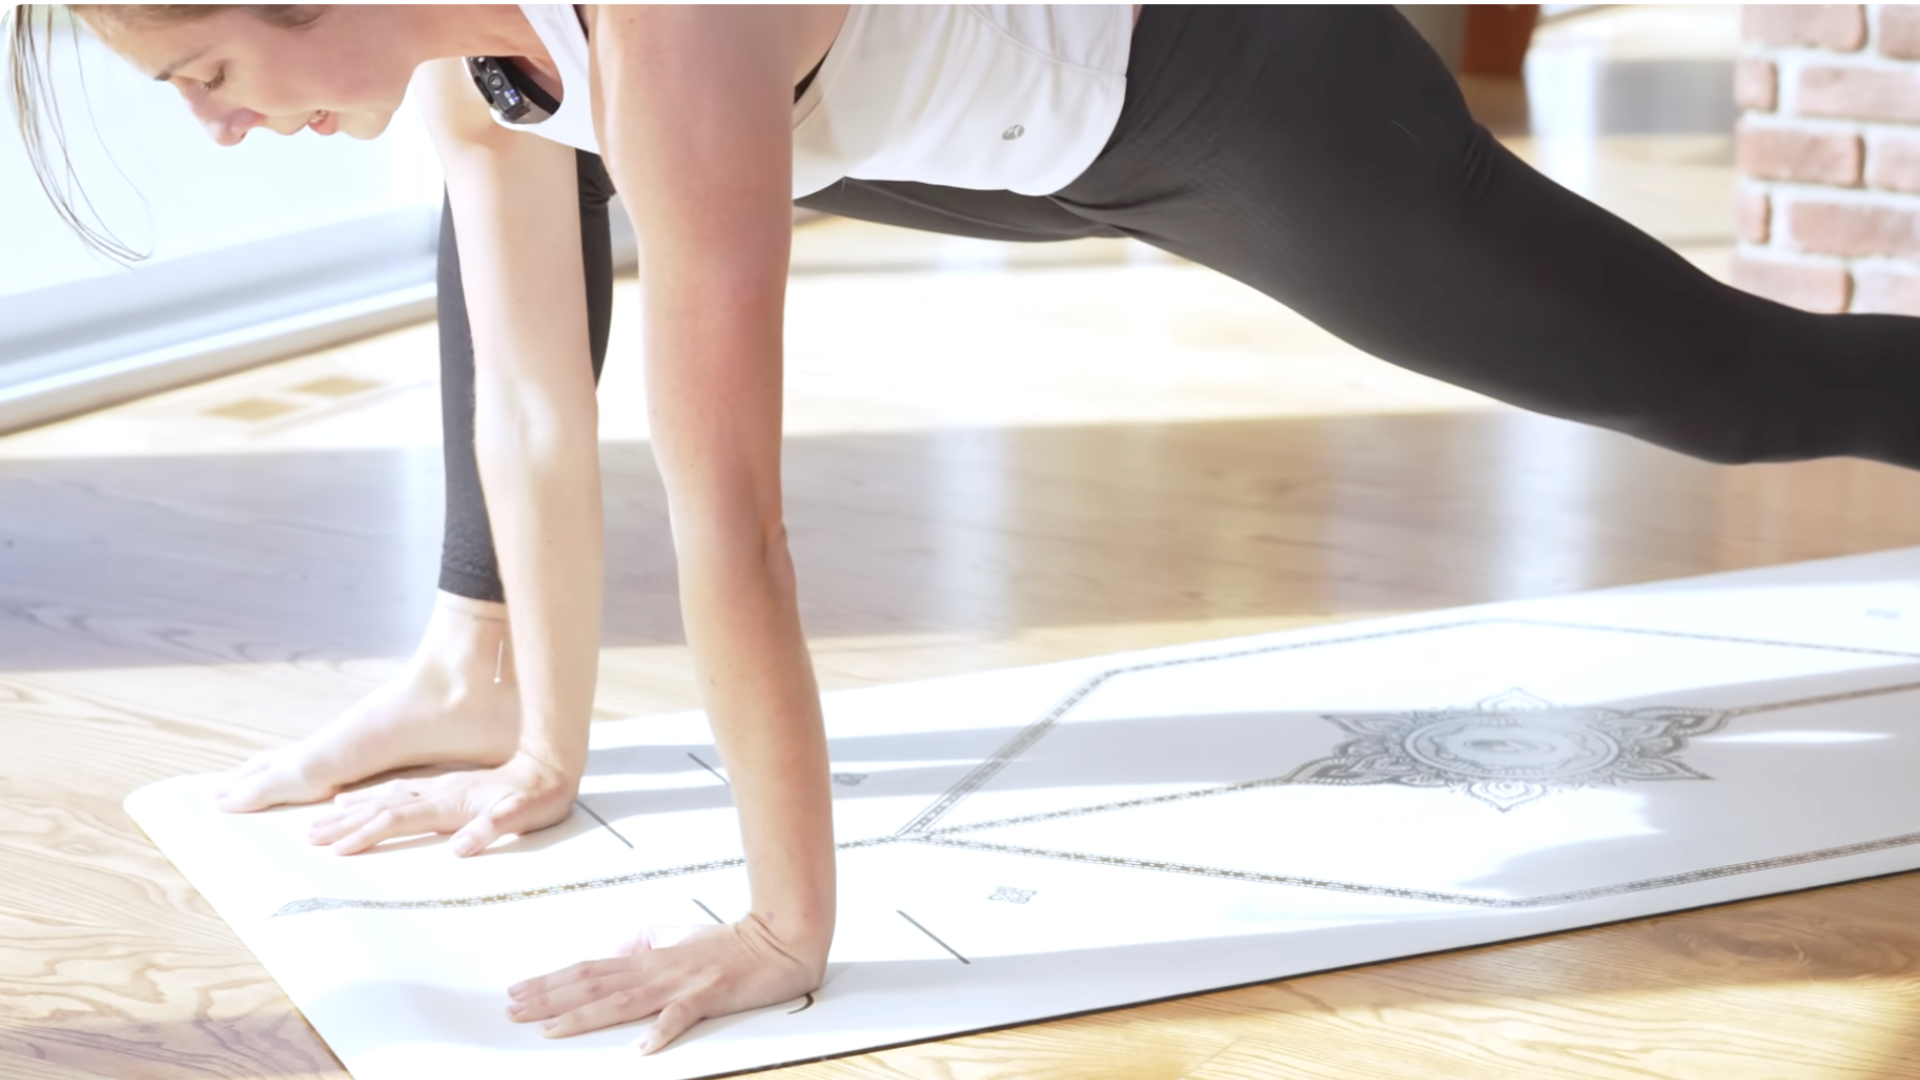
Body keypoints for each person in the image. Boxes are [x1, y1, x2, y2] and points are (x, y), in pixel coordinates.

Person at [17, 1, 1920, 1054]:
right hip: (984, 144)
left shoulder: (668, 31)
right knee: (518, 248)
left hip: (1241, 91)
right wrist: (543, 748)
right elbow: (527, 406)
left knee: (1734, 391)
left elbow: (735, 515)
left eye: (206, 77)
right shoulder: (476, 73)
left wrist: (786, 925)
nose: (219, 130)